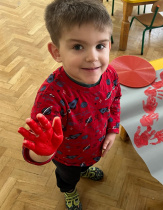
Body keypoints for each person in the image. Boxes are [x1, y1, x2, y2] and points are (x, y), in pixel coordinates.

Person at [17, 0, 121, 209]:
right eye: (77, 46)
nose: (93, 57)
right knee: (68, 177)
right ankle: (69, 191)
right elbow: (39, 145)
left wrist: (112, 129)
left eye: (100, 45)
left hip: (95, 146)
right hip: (67, 157)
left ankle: (85, 169)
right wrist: (43, 152)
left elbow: (115, 100)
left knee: (87, 164)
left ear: (109, 45)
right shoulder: (51, 97)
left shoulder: (110, 74)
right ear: (56, 52)